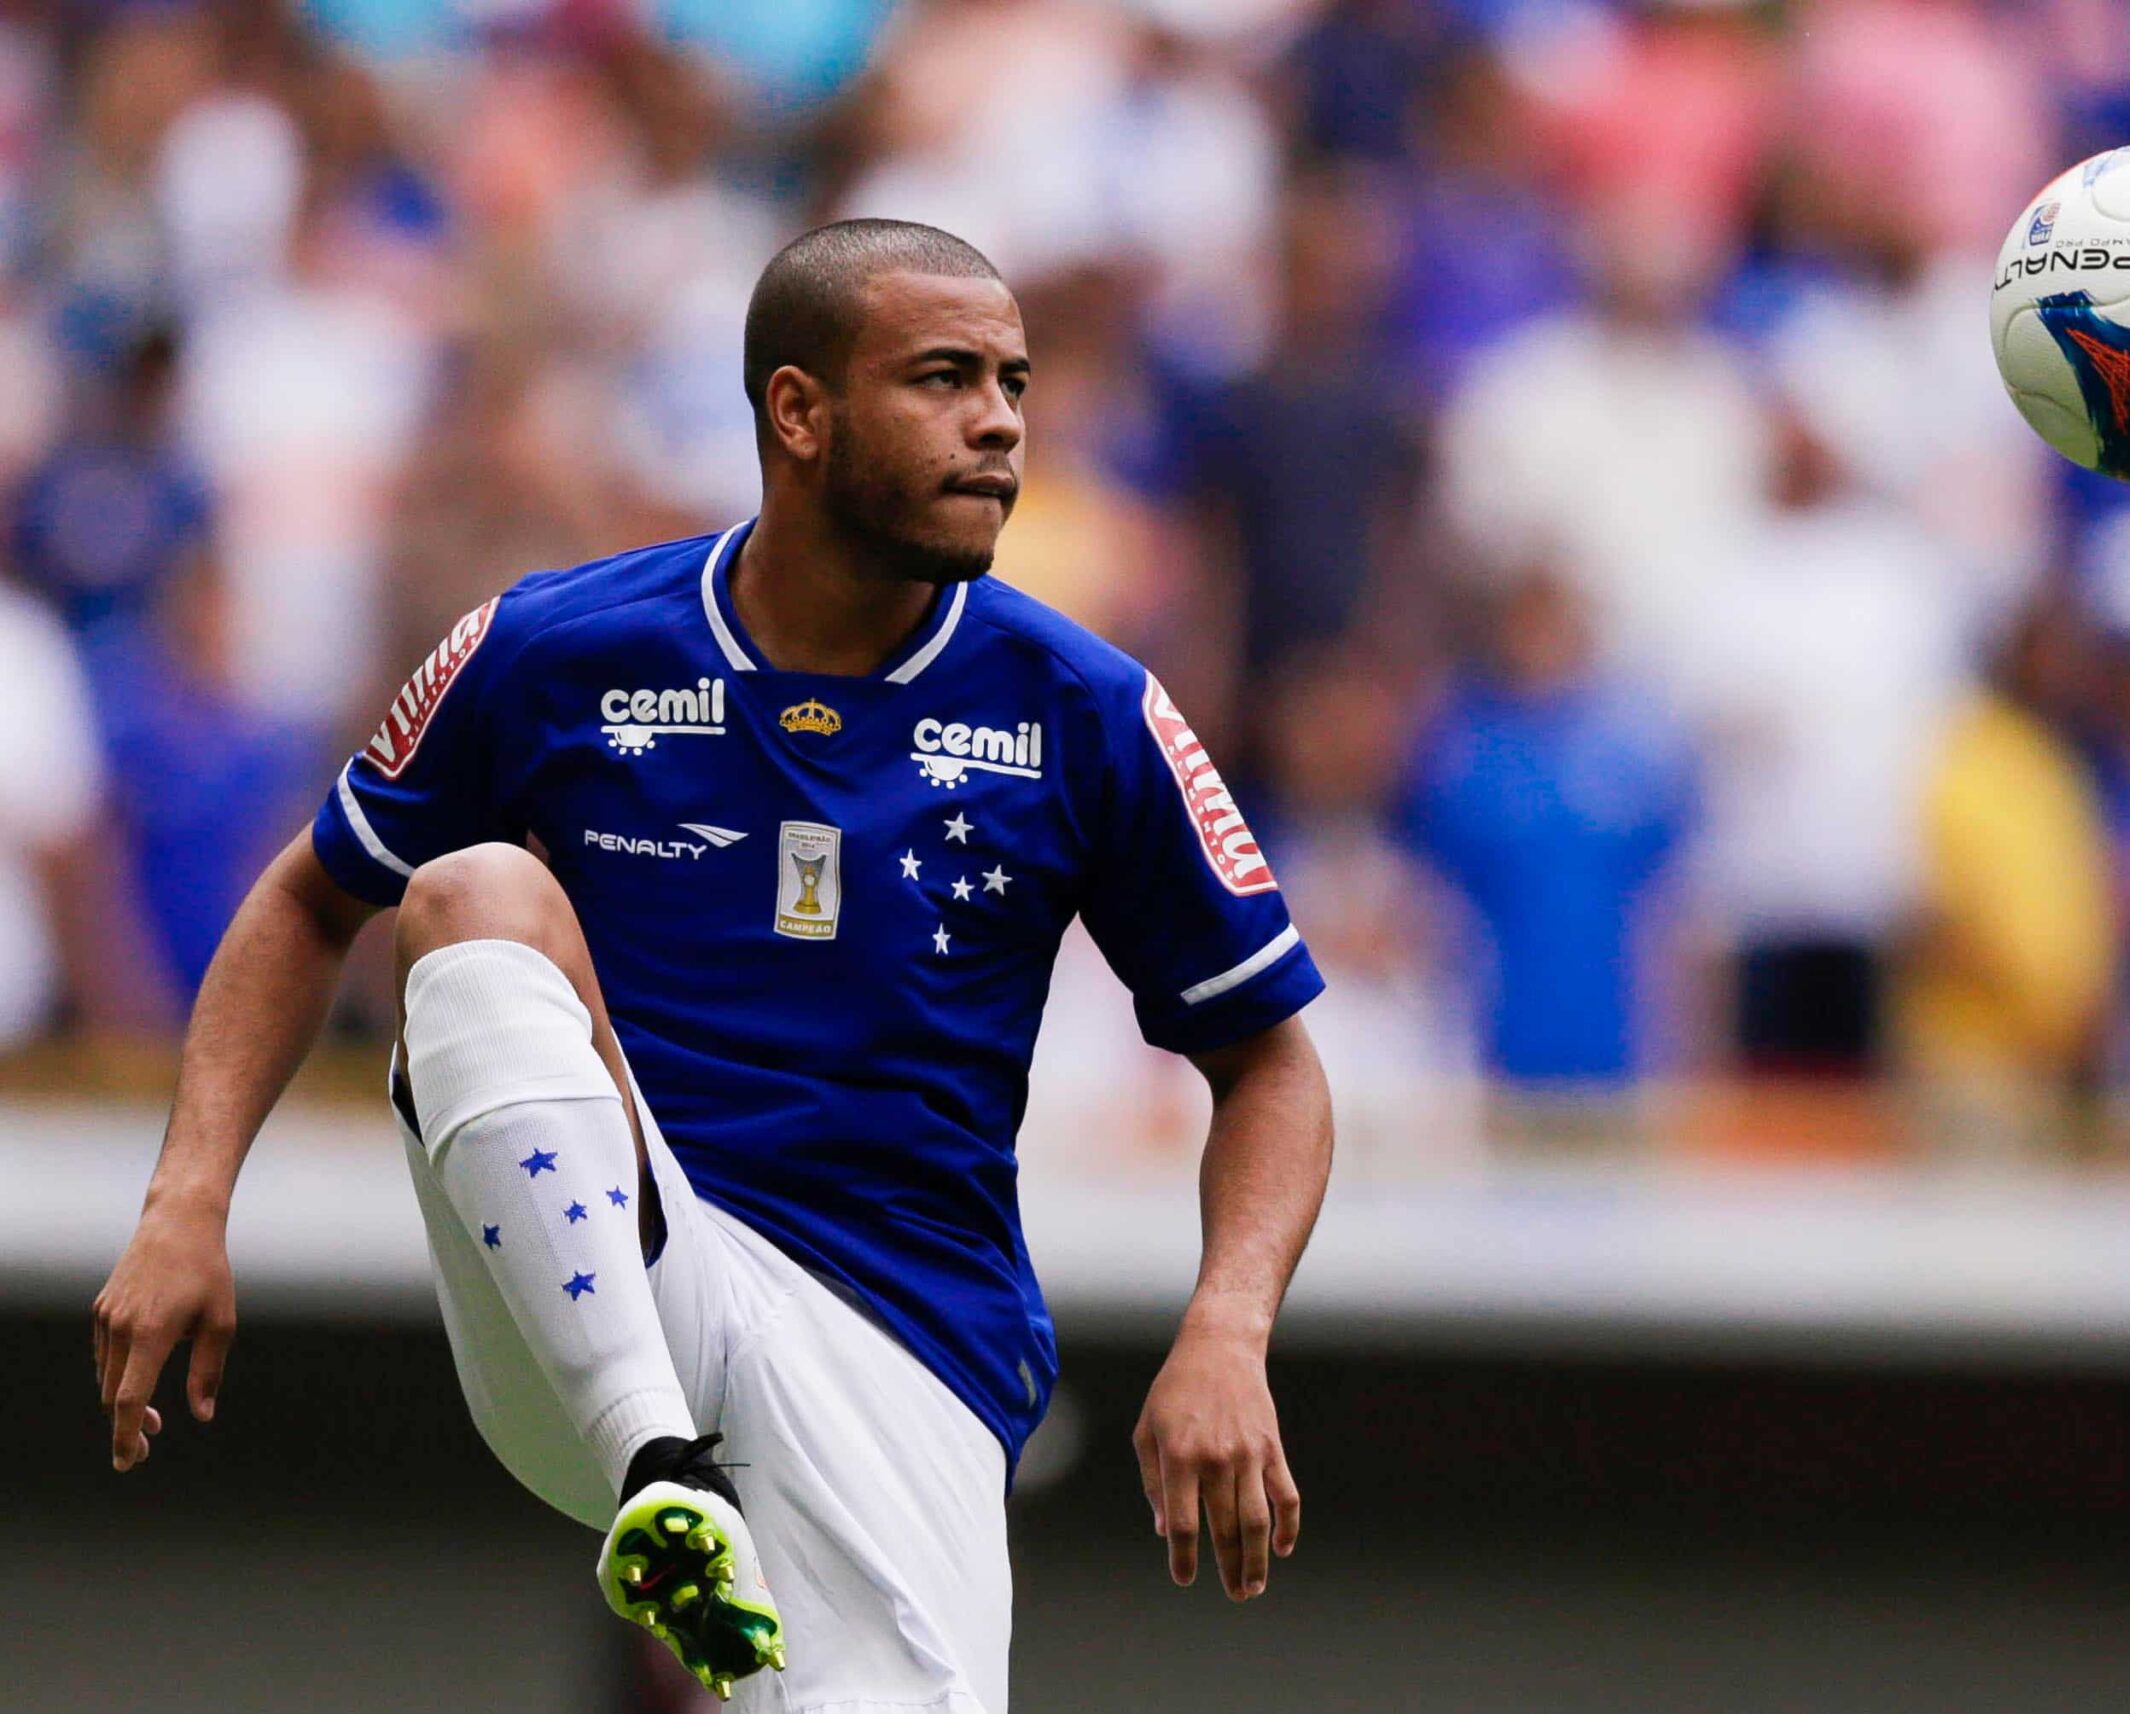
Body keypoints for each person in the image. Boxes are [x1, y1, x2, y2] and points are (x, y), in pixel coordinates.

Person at [91, 220, 1335, 1712]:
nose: (999, 419)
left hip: (903, 1337)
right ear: (797, 411)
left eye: (1011, 379)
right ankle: (661, 1477)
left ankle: (688, 1517)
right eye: (944, 378)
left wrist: (1227, 1327)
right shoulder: (554, 649)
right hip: (609, 1277)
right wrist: (185, 1198)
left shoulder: (1084, 708)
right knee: (473, 890)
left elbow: (1270, 1058)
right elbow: (308, 901)